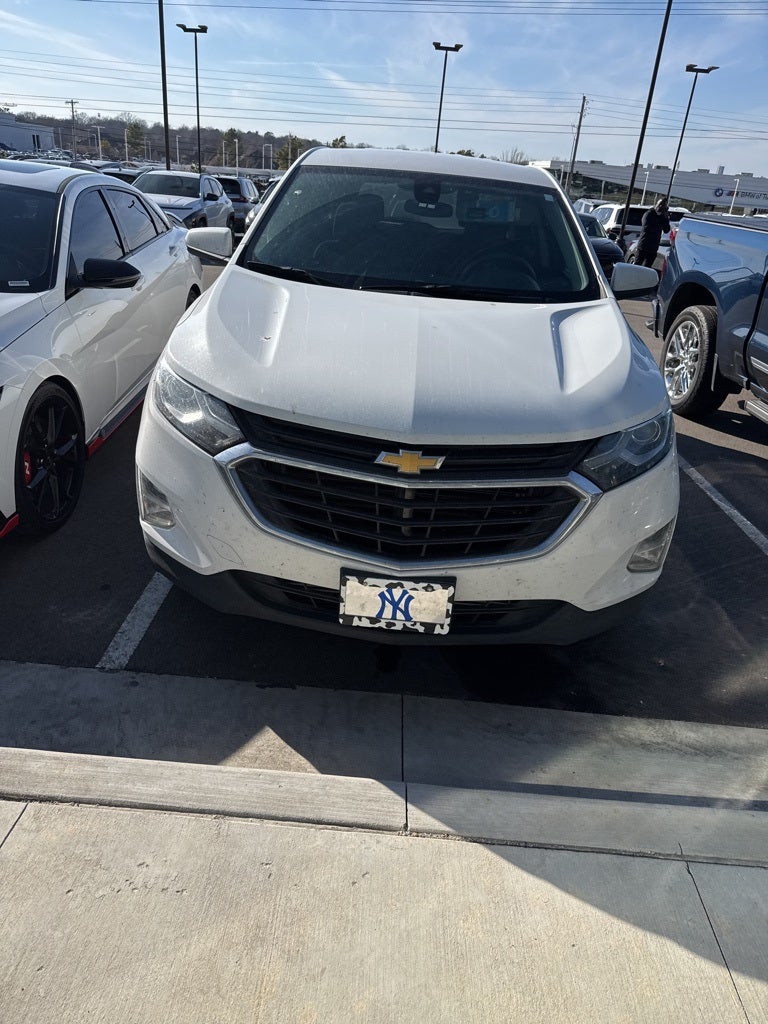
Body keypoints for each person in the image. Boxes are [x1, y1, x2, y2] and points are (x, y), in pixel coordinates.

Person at [633, 198, 671, 267]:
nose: (661, 208)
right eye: (660, 205)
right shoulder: (649, 214)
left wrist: (666, 218)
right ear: (657, 205)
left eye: (664, 207)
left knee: (647, 267)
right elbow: (646, 227)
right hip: (643, 246)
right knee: (637, 265)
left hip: (653, 247)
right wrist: (659, 222)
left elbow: (666, 230)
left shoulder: (662, 216)